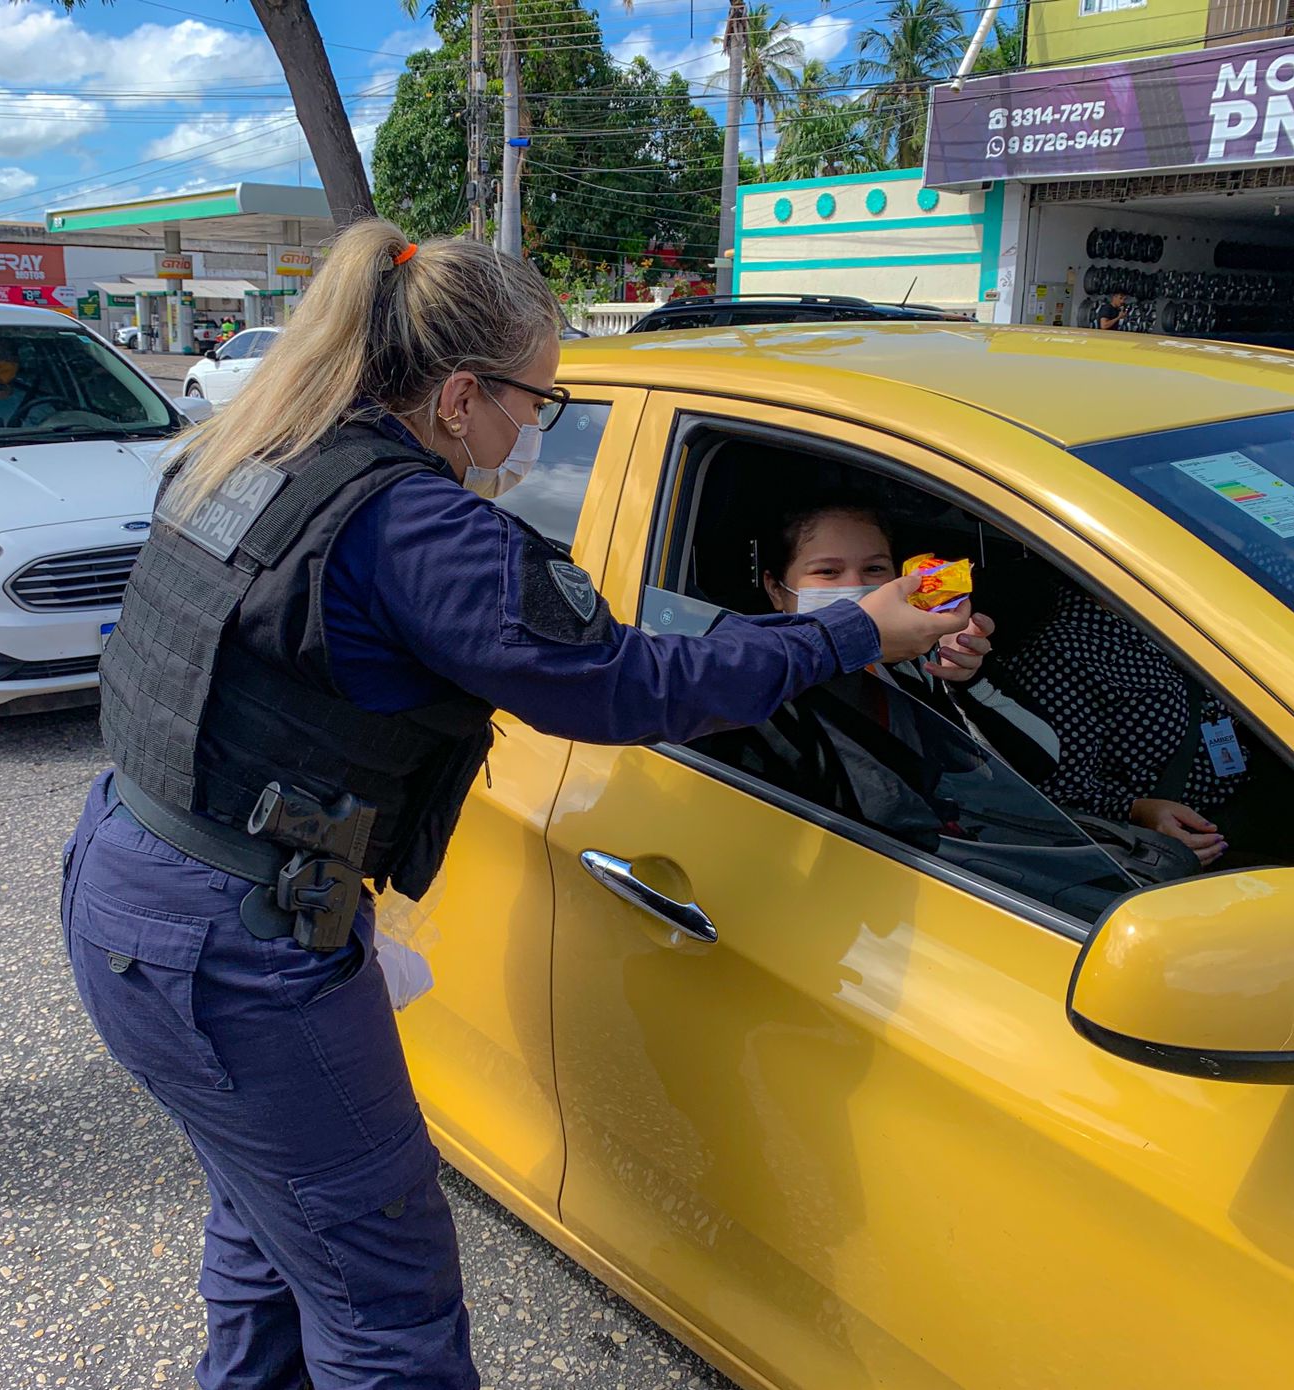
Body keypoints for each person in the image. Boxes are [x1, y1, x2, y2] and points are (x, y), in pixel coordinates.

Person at [61, 220, 970, 1390]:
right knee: (385, 1304)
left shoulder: (261, 450)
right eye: (535, 402)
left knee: (273, 1225)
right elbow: (630, 684)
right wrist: (854, 627)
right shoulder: (412, 528)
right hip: (235, 951)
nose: (532, 432)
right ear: (456, 396)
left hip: (134, 883)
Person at [757, 495, 1060, 783]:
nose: (855, 585)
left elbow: (1038, 763)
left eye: (874, 569)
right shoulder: (757, 677)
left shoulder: (914, 663)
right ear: (776, 590)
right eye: (828, 572)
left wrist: (968, 679)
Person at [1002, 585, 1250, 868]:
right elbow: (1059, 796)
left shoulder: (1174, 617)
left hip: (1249, 785)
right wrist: (1138, 812)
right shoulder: (1064, 655)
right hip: (1187, 839)